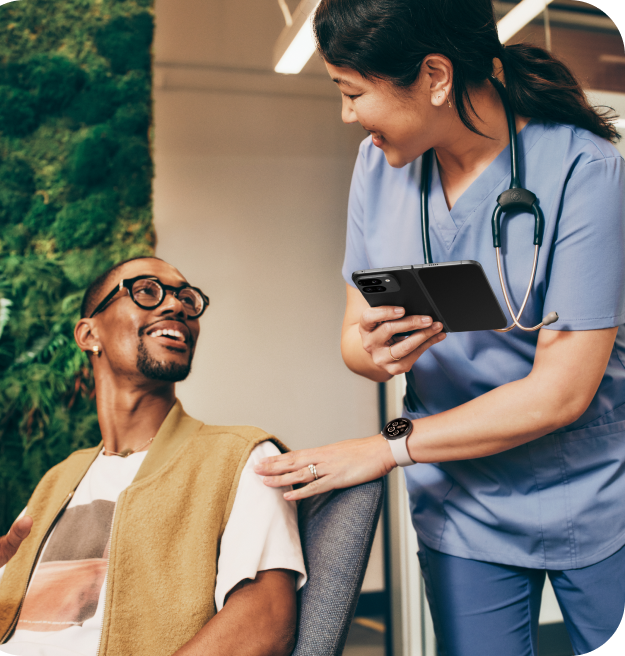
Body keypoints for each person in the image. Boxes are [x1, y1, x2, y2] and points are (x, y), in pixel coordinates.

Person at [255, 1, 625, 654]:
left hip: (594, 496)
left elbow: (560, 393)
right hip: (460, 504)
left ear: (434, 75)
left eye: (352, 92)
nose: (348, 116)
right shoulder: (378, 166)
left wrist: (386, 445)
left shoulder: (585, 168)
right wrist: (374, 350)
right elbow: (353, 340)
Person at [0, 256, 306, 656]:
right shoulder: (58, 480)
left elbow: (263, 623)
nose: (177, 306)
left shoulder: (242, 458)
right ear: (88, 334)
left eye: (188, 299)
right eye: (147, 291)